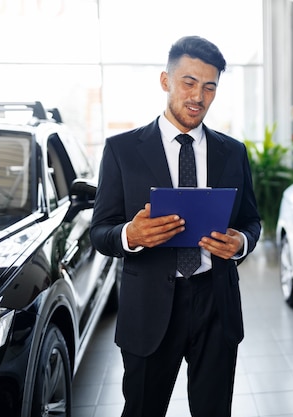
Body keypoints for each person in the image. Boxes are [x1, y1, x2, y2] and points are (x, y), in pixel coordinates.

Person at [90, 35, 261, 417]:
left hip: (216, 302)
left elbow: (251, 220)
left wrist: (242, 243)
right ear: (166, 81)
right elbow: (100, 231)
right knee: (143, 410)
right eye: (189, 82)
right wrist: (128, 236)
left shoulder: (232, 151)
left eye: (209, 86)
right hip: (150, 307)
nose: (198, 96)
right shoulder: (121, 150)